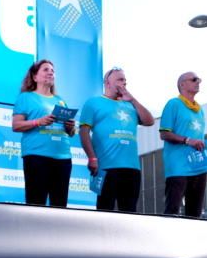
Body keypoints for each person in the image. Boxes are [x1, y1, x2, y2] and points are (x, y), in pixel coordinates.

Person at [80, 67, 155, 212]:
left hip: (132, 168)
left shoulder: (130, 105)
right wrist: (92, 158)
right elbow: (84, 132)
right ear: (107, 82)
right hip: (106, 166)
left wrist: (132, 100)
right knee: (105, 209)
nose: (124, 83)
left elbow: (149, 121)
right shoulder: (93, 102)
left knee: (129, 212)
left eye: (125, 80)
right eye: (120, 79)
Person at [12, 60, 77, 207]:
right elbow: (16, 125)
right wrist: (38, 122)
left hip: (63, 158)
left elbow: (71, 133)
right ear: (35, 77)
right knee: (36, 203)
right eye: (46, 69)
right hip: (37, 157)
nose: (50, 72)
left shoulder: (60, 101)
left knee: (60, 206)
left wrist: (70, 127)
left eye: (52, 71)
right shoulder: (26, 97)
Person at [159, 72, 207, 217]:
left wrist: (206, 159)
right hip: (178, 167)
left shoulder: (199, 110)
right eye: (194, 80)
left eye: (199, 80)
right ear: (182, 84)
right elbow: (164, 133)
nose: (198, 82)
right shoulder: (173, 104)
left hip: (199, 166)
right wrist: (187, 140)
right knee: (172, 211)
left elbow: (200, 137)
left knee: (195, 214)